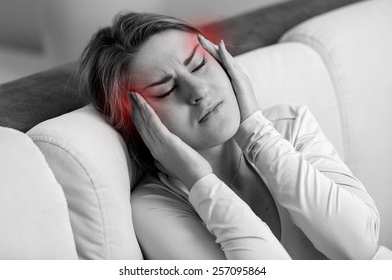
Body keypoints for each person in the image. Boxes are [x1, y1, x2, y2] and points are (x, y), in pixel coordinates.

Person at [77, 12, 380, 260]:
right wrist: (200, 182)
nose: (198, 91)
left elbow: (361, 246)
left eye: (199, 65)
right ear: (140, 123)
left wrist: (256, 133)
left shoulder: (290, 125)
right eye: (166, 89)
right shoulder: (154, 207)